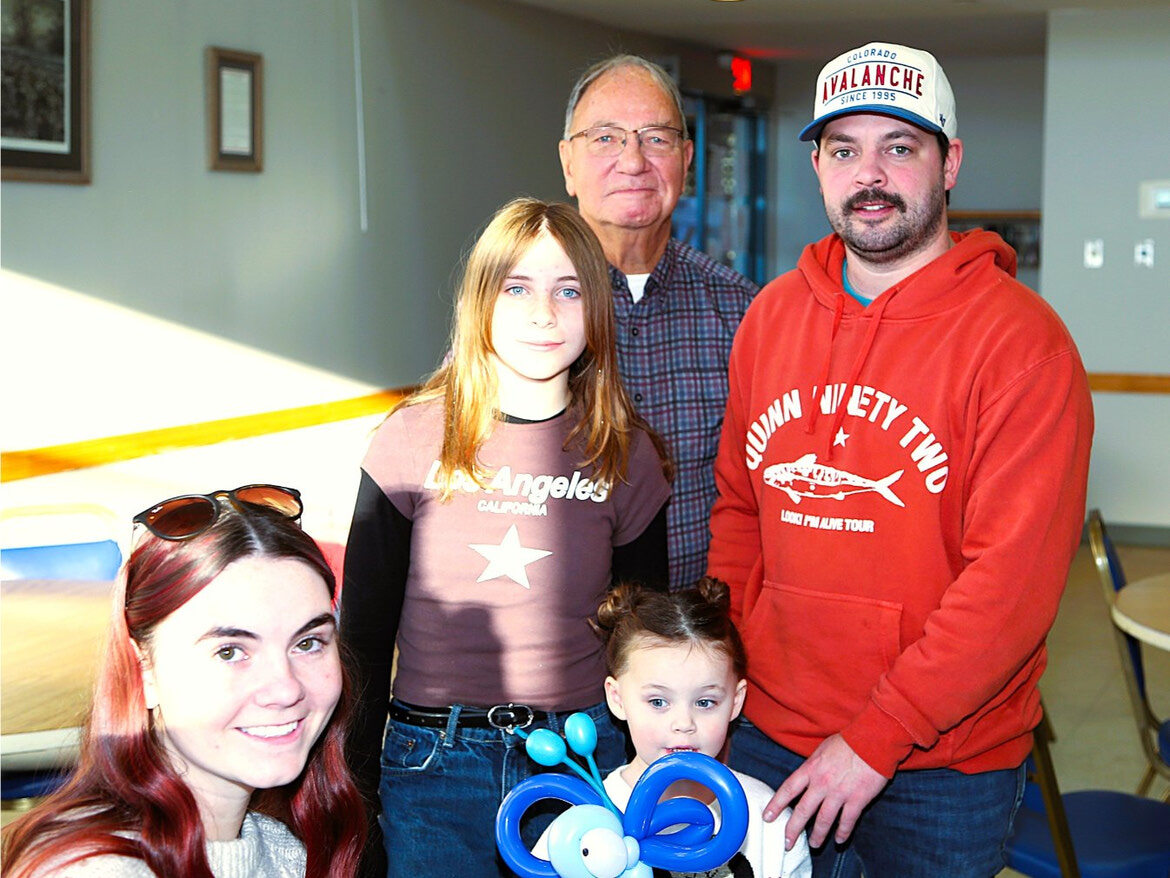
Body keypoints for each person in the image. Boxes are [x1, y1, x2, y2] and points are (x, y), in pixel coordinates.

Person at [707, 42, 1094, 877]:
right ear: (817, 167)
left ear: (949, 163)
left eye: (900, 147)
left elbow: (1010, 586)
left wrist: (876, 736)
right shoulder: (771, 317)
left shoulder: (1023, 343)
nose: (870, 174)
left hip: (942, 765)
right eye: (844, 150)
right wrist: (721, 675)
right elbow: (739, 511)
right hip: (766, 731)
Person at [341, 197, 672, 878]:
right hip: (432, 766)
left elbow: (647, 646)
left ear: (597, 308)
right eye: (516, 287)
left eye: (568, 290)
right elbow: (363, 636)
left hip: (581, 759)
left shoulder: (626, 454)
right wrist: (357, 793)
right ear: (480, 301)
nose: (543, 313)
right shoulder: (411, 437)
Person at [1, 485, 367, 878]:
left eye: (308, 643)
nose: (286, 689)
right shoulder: (95, 871)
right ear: (143, 668)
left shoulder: (284, 853)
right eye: (230, 651)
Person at [559, 54, 759, 591]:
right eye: (605, 138)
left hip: (698, 626)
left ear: (686, 160)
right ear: (568, 164)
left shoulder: (745, 313)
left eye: (656, 138)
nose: (632, 161)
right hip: (556, 630)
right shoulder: (515, 310)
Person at [582, 578, 812, 878]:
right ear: (617, 699)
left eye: (704, 702)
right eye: (658, 701)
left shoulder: (766, 817)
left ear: (735, 701)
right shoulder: (587, 817)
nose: (683, 724)